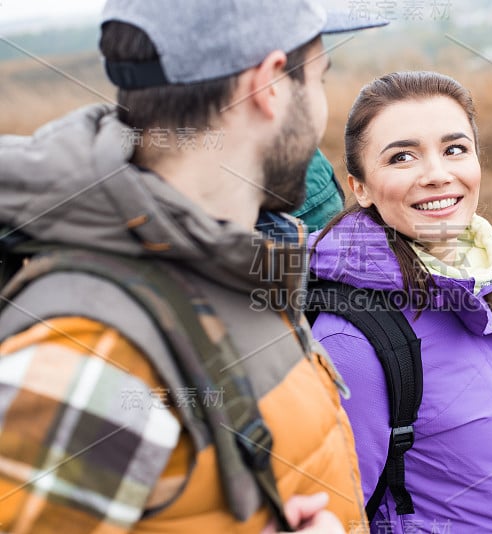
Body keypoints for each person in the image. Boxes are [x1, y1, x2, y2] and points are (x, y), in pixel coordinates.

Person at [0, 0, 386, 532]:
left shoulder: (231, 265)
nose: (322, 107)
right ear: (270, 85)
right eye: (318, 78)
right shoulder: (96, 353)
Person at [309, 71, 492, 533]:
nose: (438, 174)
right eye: (402, 156)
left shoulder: (471, 277)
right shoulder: (351, 341)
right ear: (360, 187)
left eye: (455, 149)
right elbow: (335, 517)